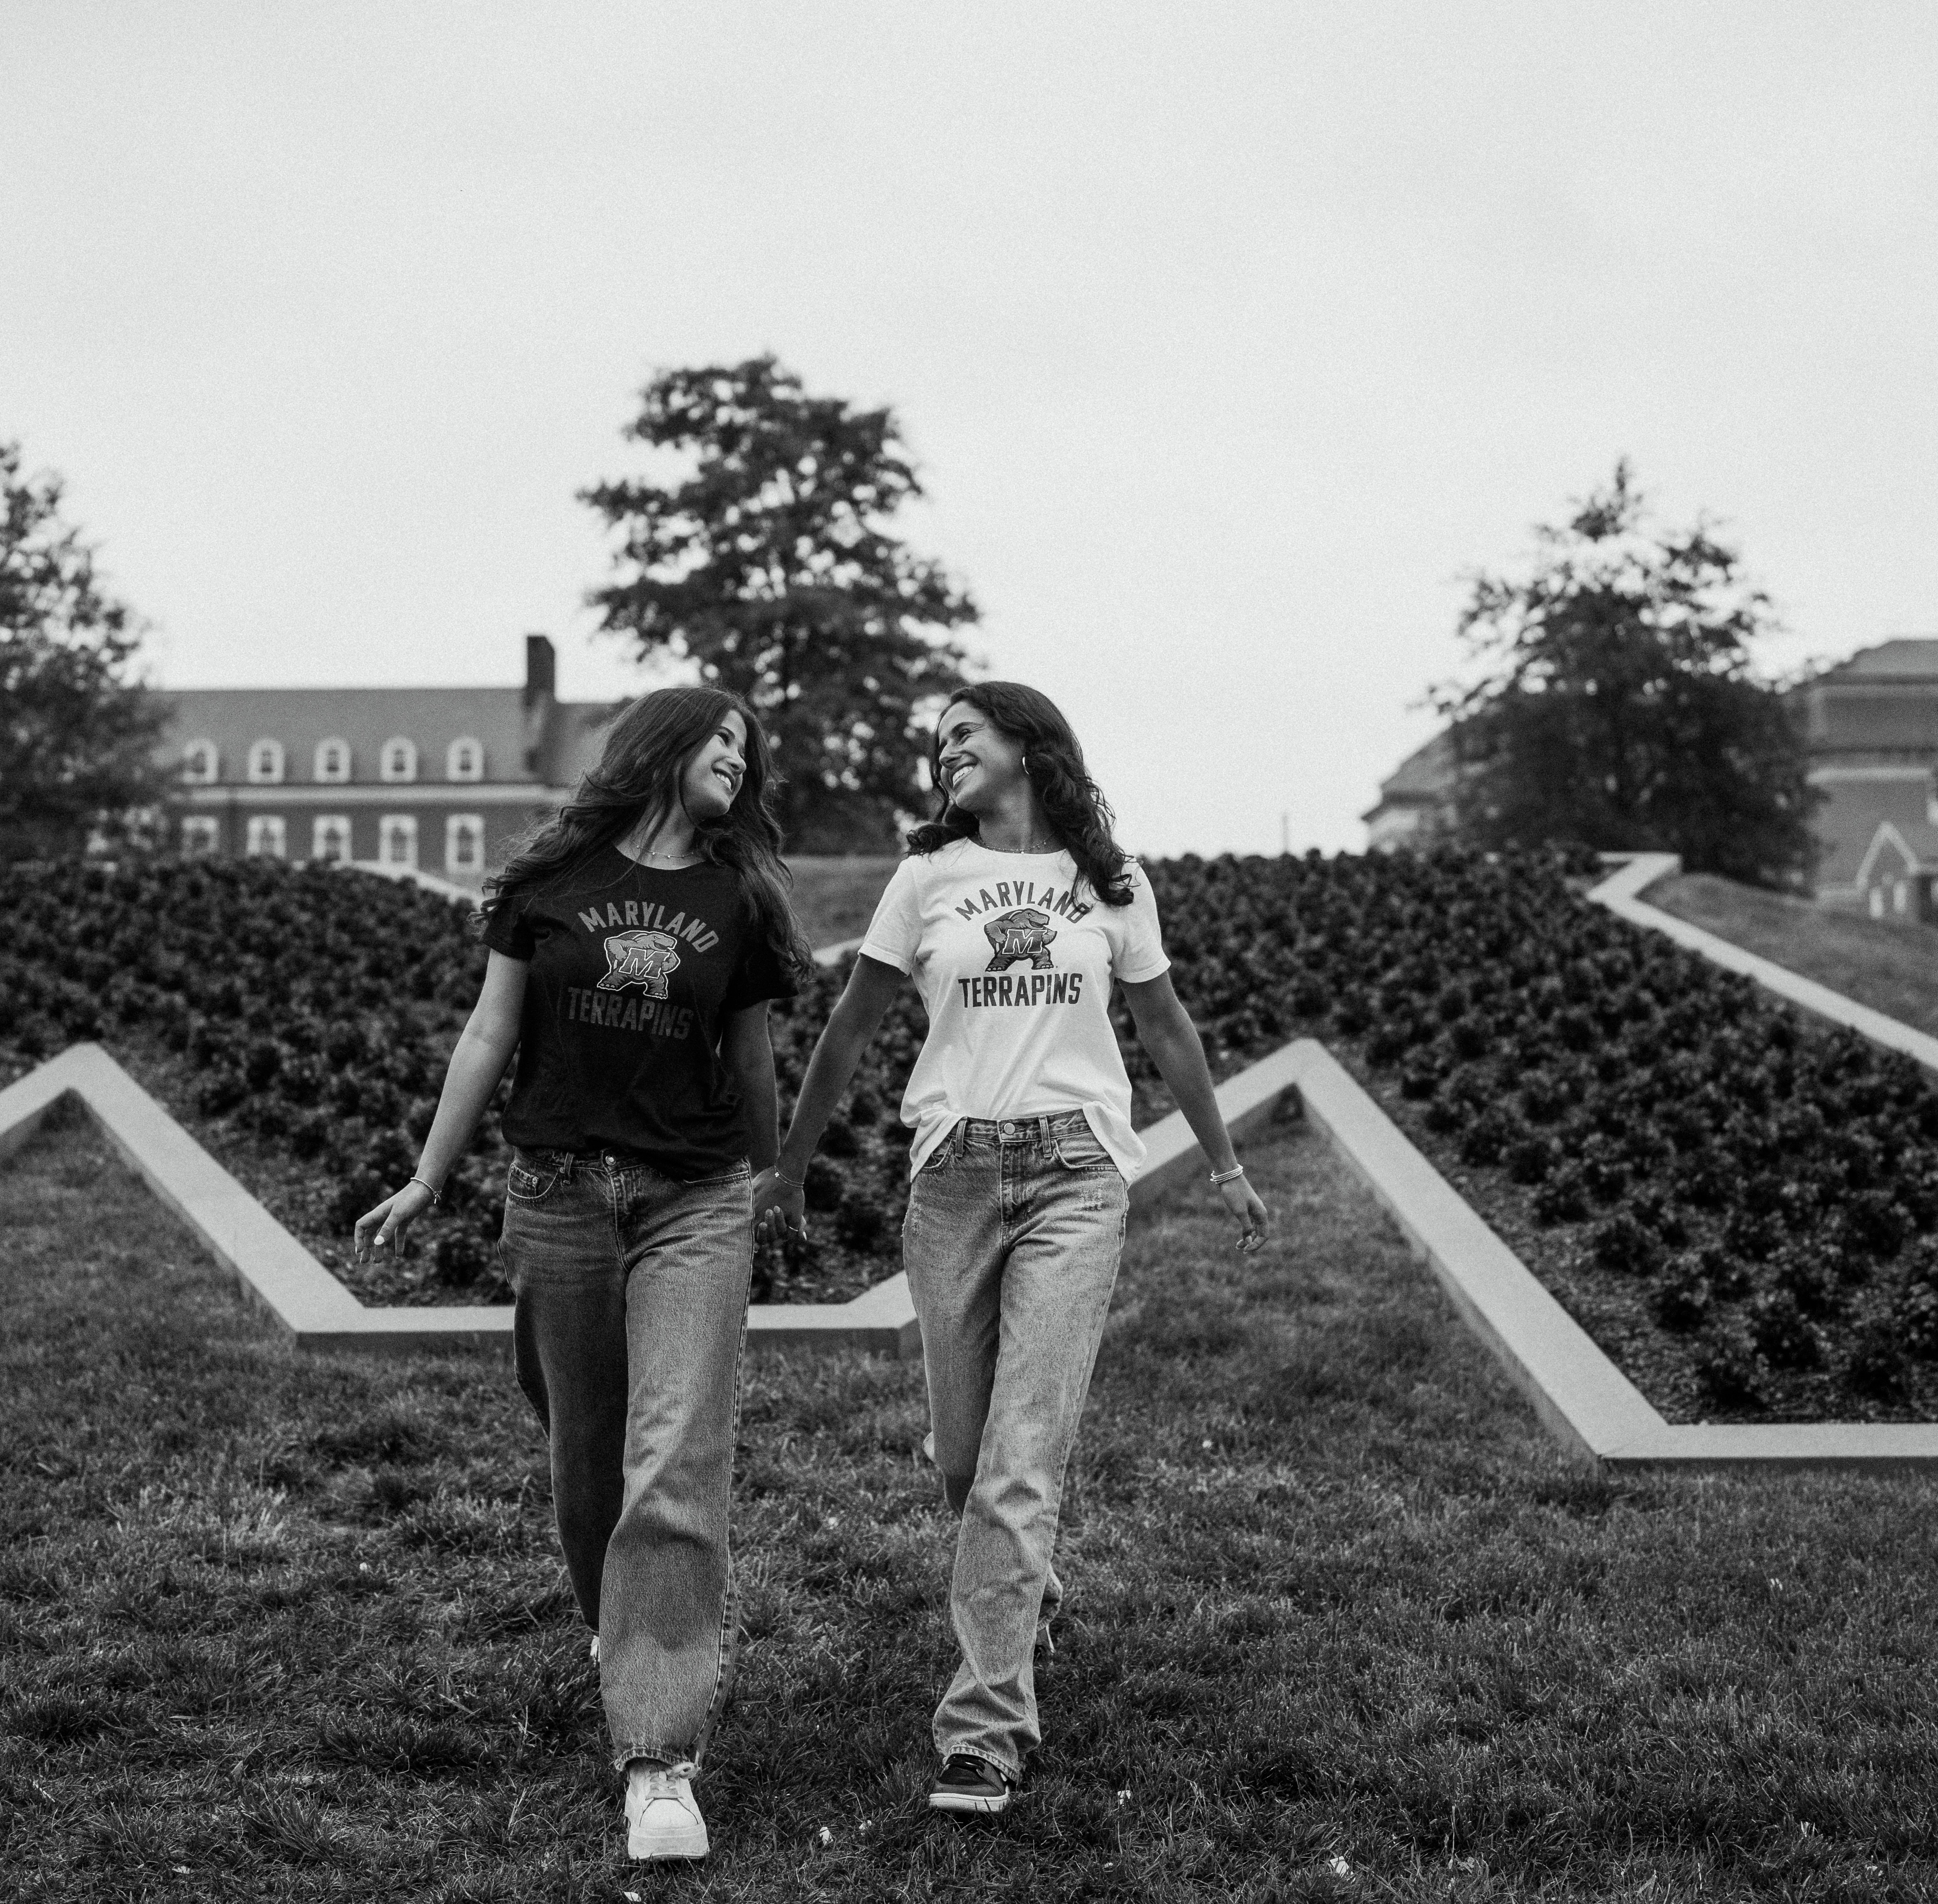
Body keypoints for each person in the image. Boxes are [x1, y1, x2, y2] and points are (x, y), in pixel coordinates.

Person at [760, 680, 1271, 1816]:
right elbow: (853, 1024)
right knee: (962, 1454)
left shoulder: (1111, 881)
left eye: (963, 734)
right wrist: (791, 1163)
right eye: (935, 740)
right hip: (952, 1175)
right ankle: (1026, 1588)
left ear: (1028, 746)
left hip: (1078, 1172)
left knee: (1021, 1451)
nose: (944, 752)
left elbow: (1166, 1028)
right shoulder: (927, 877)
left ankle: (985, 1725)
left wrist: (1226, 1163)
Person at [355, 685, 805, 1864]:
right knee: (586, 1461)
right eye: (720, 739)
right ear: (662, 748)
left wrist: (777, 1174)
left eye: (746, 750)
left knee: (674, 1455)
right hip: (557, 1193)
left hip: (694, 1198)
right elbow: (489, 1034)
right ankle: (625, 1634)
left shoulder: (740, 894)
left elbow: (750, 1049)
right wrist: (427, 1175)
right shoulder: (547, 882)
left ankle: (657, 1758)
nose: (737, 758)